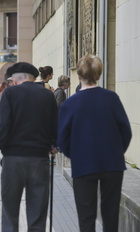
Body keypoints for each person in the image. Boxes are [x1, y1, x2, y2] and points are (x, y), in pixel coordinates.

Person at [58, 55, 132, 232]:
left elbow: (62, 138)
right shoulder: (111, 98)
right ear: (99, 74)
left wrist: (74, 154)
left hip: (83, 164)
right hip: (112, 163)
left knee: (86, 217)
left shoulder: (70, 104)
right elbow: (126, 131)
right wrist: (116, 151)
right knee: (110, 214)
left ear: (79, 76)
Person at [0, 62, 58, 232]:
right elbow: (55, 125)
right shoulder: (48, 95)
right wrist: (54, 144)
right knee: (38, 214)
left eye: (11, 81)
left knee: (10, 212)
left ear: (16, 79)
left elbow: (4, 127)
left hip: (13, 160)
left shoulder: (10, 93)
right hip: (40, 160)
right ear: (33, 78)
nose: (10, 84)